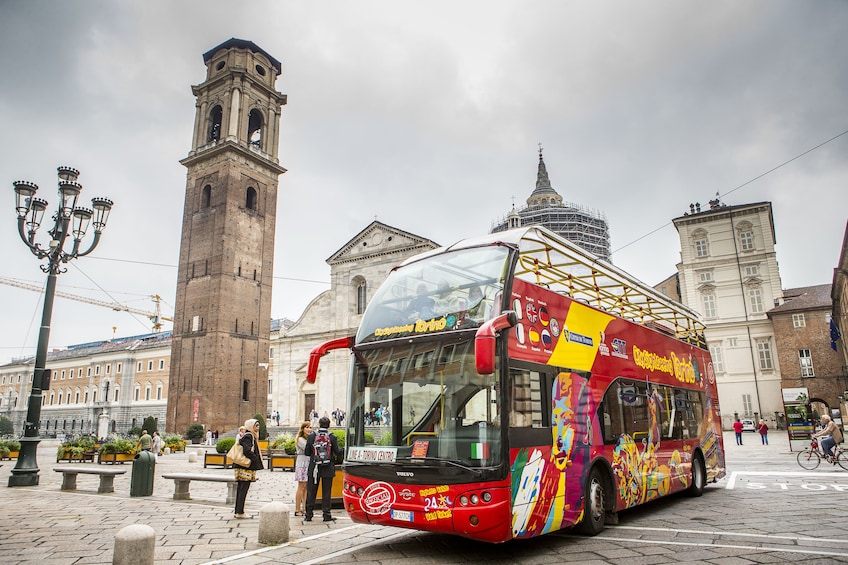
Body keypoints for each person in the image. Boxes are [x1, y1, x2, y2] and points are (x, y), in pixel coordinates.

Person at [304, 416, 342, 522]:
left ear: (319, 425)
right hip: (328, 467)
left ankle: (308, 514)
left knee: (311, 491)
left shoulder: (312, 436)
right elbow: (338, 452)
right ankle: (326, 514)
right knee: (326, 492)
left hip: (314, 467)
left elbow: (307, 452)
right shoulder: (332, 437)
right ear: (329, 425)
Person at [233, 418, 264, 519]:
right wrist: (254, 459)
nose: (258, 427)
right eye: (256, 425)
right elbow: (247, 450)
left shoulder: (249, 435)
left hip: (243, 466)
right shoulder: (249, 436)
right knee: (243, 489)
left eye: (258, 425)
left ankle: (238, 511)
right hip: (245, 466)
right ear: (250, 426)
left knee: (241, 488)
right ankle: (240, 512)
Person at [294, 421, 312, 517]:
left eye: (310, 427)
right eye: (307, 427)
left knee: (306, 487)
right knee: (301, 487)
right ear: (303, 429)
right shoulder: (300, 439)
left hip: (308, 463)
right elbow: (307, 448)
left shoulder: (308, 438)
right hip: (302, 463)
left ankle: (304, 508)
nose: (309, 429)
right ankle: (297, 509)